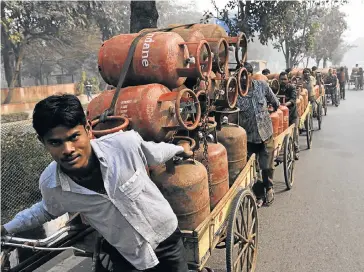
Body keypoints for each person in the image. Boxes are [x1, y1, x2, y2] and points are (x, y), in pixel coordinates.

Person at [1, 94, 192, 272]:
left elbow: (156, 152)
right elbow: (45, 209)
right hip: (128, 254)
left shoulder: (125, 146)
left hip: (167, 240)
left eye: (74, 137)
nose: (68, 149)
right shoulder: (52, 184)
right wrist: (7, 228)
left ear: (87, 130)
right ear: (43, 142)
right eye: (55, 143)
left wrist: (180, 148)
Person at [237, 62, 280, 207]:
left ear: (250, 75)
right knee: (251, 169)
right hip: (248, 137)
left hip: (265, 133)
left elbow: (275, 102)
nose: (242, 79)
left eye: (244, 75)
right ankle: (259, 194)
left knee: (266, 165)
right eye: (239, 75)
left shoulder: (262, 86)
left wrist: (272, 109)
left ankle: (269, 188)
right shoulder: (235, 93)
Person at [278, 72, 299, 160]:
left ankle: (296, 150)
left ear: (288, 80)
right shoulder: (276, 88)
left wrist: (285, 104)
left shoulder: (291, 88)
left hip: (291, 115)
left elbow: (293, 99)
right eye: (281, 79)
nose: (283, 81)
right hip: (280, 116)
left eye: (285, 79)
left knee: (294, 133)